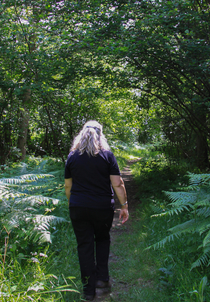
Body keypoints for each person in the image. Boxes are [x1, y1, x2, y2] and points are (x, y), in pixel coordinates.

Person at [64, 120, 129, 301]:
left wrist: (72, 203)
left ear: (81, 134)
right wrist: (124, 206)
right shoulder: (107, 155)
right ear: (101, 135)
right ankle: (102, 280)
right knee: (102, 239)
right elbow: (117, 183)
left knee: (84, 246)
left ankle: (88, 291)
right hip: (102, 208)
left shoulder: (72, 157)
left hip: (78, 207)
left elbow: (68, 186)